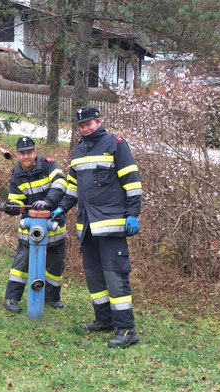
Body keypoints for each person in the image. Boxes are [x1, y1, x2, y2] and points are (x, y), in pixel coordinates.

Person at [51, 106, 142, 348]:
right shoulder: (78, 151)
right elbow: (73, 187)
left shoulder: (116, 145)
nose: (85, 128)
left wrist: (132, 214)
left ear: (99, 121)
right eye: (81, 125)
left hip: (112, 224)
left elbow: (132, 182)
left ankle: (126, 329)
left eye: (89, 123)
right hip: (87, 226)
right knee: (94, 276)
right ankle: (104, 321)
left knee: (115, 276)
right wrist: (62, 208)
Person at [0, 136, 68, 313]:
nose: (26, 156)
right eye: (22, 153)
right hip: (30, 228)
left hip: (54, 223)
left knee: (56, 264)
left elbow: (61, 182)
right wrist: (8, 207)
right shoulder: (17, 176)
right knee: (21, 263)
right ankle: (12, 298)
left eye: (29, 152)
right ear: (18, 154)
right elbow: (16, 203)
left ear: (35, 152)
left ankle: (52, 297)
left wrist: (49, 202)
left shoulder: (48, 165)